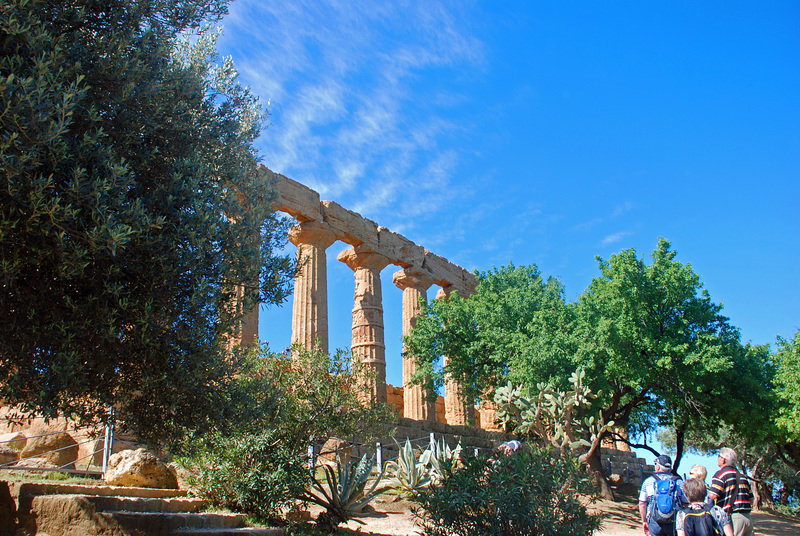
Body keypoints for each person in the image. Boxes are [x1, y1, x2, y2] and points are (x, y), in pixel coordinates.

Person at [708, 448, 753, 536]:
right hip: (747, 518)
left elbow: (712, 495)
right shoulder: (743, 477)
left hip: (733, 518)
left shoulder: (721, 475)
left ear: (723, 460)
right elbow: (751, 500)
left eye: (719, 456)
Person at [639, 454, 688, 536]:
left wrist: (644, 521)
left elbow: (642, 504)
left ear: (658, 466)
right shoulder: (679, 482)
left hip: (654, 521)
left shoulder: (648, 482)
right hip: (674, 521)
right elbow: (686, 503)